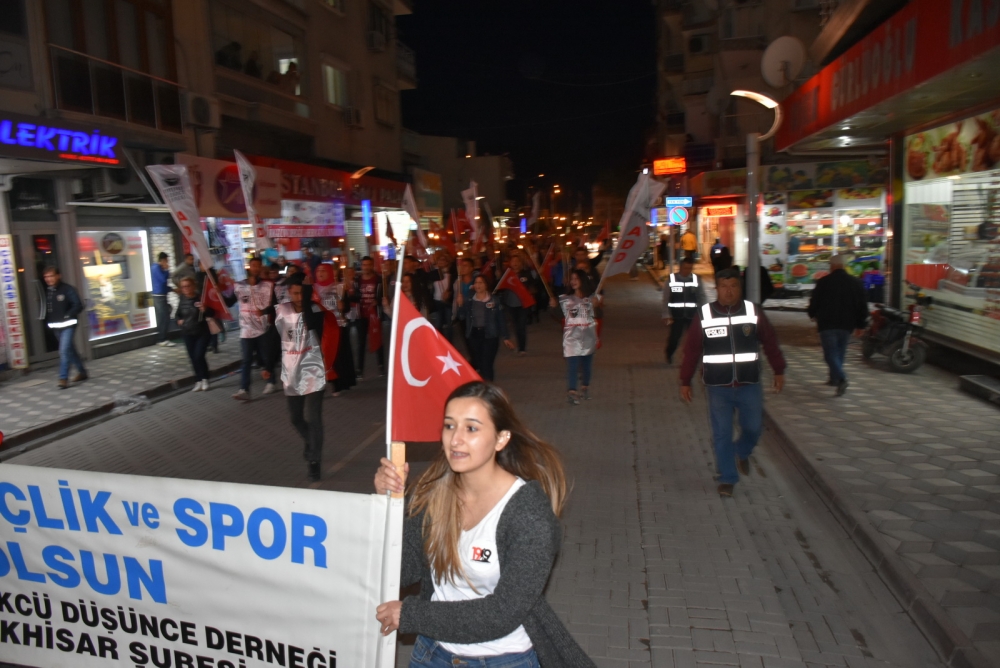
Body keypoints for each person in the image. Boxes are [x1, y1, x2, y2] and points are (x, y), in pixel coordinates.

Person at [372, 382, 595, 668]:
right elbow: (401, 571)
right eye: (449, 426)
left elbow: (501, 613)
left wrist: (412, 615)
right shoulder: (432, 494)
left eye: (472, 428)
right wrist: (387, 505)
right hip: (432, 654)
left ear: (501, 439)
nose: (455, 440)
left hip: (503, 660)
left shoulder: (529, 515)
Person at [679, 267, 786, 497]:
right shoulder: (704, 315)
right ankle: (727, 477)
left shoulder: (752, 311)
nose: (729, 292)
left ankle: (741, 451)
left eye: (733, 286)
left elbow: (770, 341)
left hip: (749, 384)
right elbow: (691, 351)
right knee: (721, 433)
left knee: (754, 427)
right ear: (716, 288)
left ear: (740, 288)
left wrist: (779, 369)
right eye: (724, 287)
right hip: (718, 387)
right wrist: (685, 380)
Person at [275, 273, 326, 482]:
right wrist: (268, 365)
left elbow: (313, 325)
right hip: (291, 371)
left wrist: (306, 300)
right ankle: (310, 441)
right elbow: (275, 336)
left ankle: (314, 461)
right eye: (294, 293)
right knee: (295, 418)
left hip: (313, 369)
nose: (297, 297)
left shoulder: (314, 309)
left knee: (314, 418)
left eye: (301, 293)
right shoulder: (281, 311)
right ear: (288, 292)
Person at [807, 255, 868, 396]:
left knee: (830, 354)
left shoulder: (823, 282)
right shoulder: (855, 283)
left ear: (832, 266)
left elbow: (814, 300)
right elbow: (862, 306)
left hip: (827, 323)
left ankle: (841, 379)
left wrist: (812, 314)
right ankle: (834, 378)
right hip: (847, 324)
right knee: (840, 352)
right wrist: (861, 324)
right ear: (844, 265)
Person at [225, 257, 276, 401]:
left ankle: (271, 381)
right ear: (249, 267)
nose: (256, 268)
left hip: (262, 328)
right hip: (246, 329)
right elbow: (229, 302)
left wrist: (264, 310)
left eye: (259, 266)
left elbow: (274, 304)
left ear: (261, 268)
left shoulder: (267, 286)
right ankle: (244, 389)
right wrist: (220, 294)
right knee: (246, 360)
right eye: (254, 265)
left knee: (266, 357)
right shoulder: (240, 286)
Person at [550, 269, 601, 405]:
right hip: (572, 337)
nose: (573, 282)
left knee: (586, 365)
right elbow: (558, 315)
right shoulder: (565, 299)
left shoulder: (591, 298)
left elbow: (599, 315)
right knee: (572, 365)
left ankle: (585, 387)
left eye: (576, 279)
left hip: (588, 336)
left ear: (582, 280)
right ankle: (572, 392)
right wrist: (553, 307)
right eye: (571, 279)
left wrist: (596, 306)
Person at [457, 275, 514, 381]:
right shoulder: (469, 300)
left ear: (486, 285)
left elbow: (500, 319)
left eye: (481, 282)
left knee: (487, 362)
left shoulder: (494, 300)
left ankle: (488, 387)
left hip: (490, 335)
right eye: (476, 283)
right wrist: (460, 305)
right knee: (478, 362)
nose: (478, 285)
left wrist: (506, 337)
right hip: (474, 335)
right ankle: (483, 385)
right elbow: (461, 317)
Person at [42, 267, 87, 389]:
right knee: (70, 350)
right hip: (56, 326)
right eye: (46, 277)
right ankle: (82, 372)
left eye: (51, 276)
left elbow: (78, 305)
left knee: (64, 351)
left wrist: (68, 315)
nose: (48, 279)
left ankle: (63, 378)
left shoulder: (67, 289)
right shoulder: (49, 291)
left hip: (68, 325)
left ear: (58, 276)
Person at [663, 256, 706, 365]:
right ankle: (669, 353)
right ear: (680, 267)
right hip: (676, 316)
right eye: (685, 268)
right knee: (675, 338)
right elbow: (666, 298)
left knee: (694, 338)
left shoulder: (696, 279)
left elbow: (701, 296)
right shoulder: (672, 279)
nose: (687, 270)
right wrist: (666, 314)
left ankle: (691, 359)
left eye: (690, 268)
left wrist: (703, 312)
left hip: (692, 315)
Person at [349, 256, 386, 379]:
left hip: (375, 314)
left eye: (369, 264)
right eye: (364, 265)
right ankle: (359, 369)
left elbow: (383, 295)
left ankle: (381, 366)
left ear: (372, 265)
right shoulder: (357, 281)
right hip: (362, 315)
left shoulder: (379, 280)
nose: (366, 267)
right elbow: (354, 297)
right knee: (360, 343)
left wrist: (378, 302)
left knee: (378, 340)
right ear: (361, 266)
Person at [175, 277, 213, 392]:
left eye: (188, 286)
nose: (185, 289)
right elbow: (178, 314)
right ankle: (198, 380)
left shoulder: (200, 298)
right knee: (192, 358)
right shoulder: (182, 299)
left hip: (201, 331)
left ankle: (205, 378)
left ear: (193, 286)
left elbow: (212, 312)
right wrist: (179, 320)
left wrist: (205, 309)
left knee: (199, 355)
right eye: (183, 287)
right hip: (187, 332)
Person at [500, 254, 534, 356]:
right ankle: (519, 345)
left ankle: (522, 348)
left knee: (521, 325)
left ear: (521, 263)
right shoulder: (506, 275)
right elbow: (499, 287)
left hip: (522, 305)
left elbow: (533, 285)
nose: (515, 263)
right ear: (510, 263)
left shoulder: (526, 274)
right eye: (513, 261)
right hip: (510, 304)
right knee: (515, 326)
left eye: (517, 261)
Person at [429, 252, 454, 341]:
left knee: (449, 323)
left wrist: (448, 292)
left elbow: (452, 288)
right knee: (438, 323)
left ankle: (450, 342)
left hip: (447, 301)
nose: (441, 262)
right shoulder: (434, 273)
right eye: (440, 260)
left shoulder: (450, 274)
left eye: (444, 260)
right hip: (437, 301)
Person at [151, 252, 175, 347]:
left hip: (161, 295)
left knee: (165, 315)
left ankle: (163, 337)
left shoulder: (158, 268)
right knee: (164, 317)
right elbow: (163, 280)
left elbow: (165, 282)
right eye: (166, 261)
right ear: (162, 260)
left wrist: (172, 289)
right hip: (159, 296)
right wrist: (167, 270)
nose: (167, 263)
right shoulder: (156, 268)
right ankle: (162, 339)